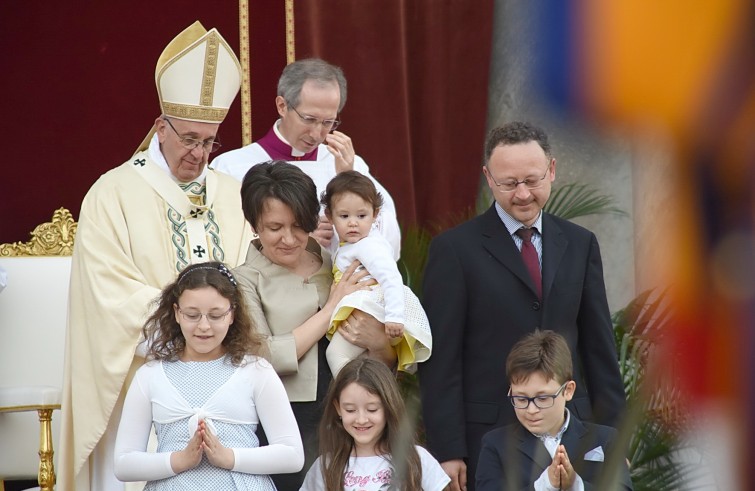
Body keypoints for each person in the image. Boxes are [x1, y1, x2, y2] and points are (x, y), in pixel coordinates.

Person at [58, 22, 253, 491]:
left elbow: (250, 276)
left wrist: (215, 335)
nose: (200, 153)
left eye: (210, 141)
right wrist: (188, 329)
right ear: (159, 128)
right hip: (142, 382)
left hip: (225, 383)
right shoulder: (113, 193)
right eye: (189, 138)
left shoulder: (231, 194)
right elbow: (108, 294)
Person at [418, 121, 626, 491]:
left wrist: (615, 435)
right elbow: (441, 359)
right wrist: (448, 449)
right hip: (488, 436)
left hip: (574, 431)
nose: (523, 194)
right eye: (509, 183)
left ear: (552, 170)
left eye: (532, 180)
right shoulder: (454, 250)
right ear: (488, 178)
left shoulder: (580, 244)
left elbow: (599, 347)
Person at [233, 160, 397, 489]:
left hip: (356, 415)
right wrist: (331, 308)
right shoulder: (243, 279)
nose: (289, 238)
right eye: (274, 227)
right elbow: (263, 355)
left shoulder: (339, 260)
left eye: (299, 225)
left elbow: (387, 355)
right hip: (288, 419)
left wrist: (380, 343)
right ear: (254, 224)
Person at [114, 262, 304, 489]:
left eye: (215, 315)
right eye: (192, 315)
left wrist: (229, 457)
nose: (204, 326)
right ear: (176, 313)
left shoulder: (256, 371)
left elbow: (292, 455)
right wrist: (179, 460)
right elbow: (124, 463)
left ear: (232, 314)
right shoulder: (150, 376)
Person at [211, 57, 401, 260]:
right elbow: (224, 241)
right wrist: (299, 236)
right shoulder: (232, 167)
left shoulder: (348, 163)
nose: (317, 133)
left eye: (328, 122)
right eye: (309, 119)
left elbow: (389, 241)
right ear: (282, 106)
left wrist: (348, 179)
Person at [476, 330, 633, 490]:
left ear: (568, 390)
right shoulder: (496, 444)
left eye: (543, 399)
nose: (531, 409)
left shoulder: (605, 439)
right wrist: (544, 486)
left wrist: (576, 485)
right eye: (521, 399)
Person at [320, 170, 432, 376]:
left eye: (361, 216)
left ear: (375, 215)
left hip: (371, 309)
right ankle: (360, 397)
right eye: (344, 216)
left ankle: (349, 397)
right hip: (363, 309)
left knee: (336, 355)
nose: (353, 222)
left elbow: (391, 278)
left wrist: (394, 317)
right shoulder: (347, 245)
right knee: (361, 364)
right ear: (330, 217)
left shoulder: (369, 245)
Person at [300, 357, 451, 491]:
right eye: (350, 410)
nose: (361, 419)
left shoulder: (417, 458)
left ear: (388, 407)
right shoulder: (326, 465)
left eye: (372, 409)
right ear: (338, 408)